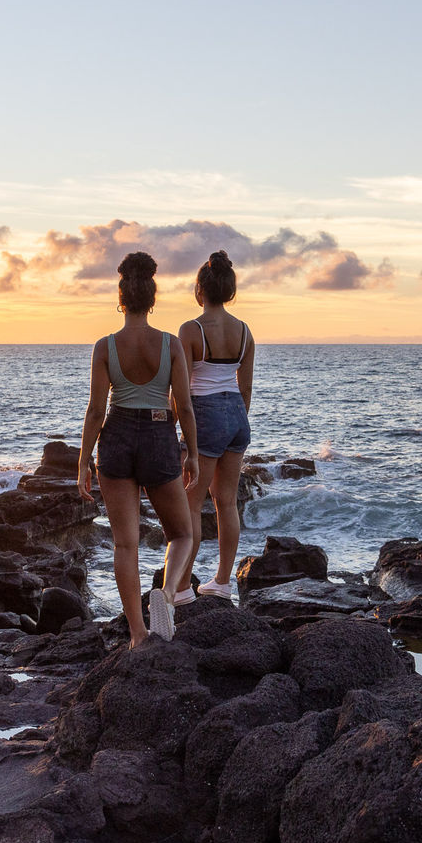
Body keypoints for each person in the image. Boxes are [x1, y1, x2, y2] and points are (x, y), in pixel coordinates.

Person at [77, 252, 200, 648]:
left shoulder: (105, 346)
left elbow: (97, 410)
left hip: (116, 436)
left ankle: (136, 634)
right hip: (160, 435)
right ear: (152, 299)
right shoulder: (170, 344)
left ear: (121, 298)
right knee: (181, 534)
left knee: (125, 544)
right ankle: (165, 595)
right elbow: (183, 404)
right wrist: (192, 453)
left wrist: (82, 463)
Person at [174, 250, 255, 602]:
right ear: (230, 291)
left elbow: (179, 390)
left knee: (190, 503)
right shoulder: (244, 331)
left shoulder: (191, 330)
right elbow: (246, 388)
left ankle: (181, 586)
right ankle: (222, 581)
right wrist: (234, 422)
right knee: (226, 502)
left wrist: (173, 427)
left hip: (204, 415)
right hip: (236, 414)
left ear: (199, 290)